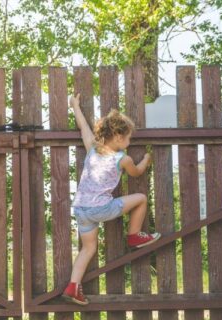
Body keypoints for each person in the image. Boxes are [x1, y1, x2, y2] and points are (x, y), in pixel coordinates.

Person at [62, 93, 160, 305]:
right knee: (141, 198)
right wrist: (146, 159)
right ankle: (134, 236)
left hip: (80, 209)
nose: (130, 141)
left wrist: (74, 106)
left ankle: (73, 286)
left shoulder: (92, 149)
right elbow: (136, 173)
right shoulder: (122, 159)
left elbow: (83, 129)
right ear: (118, 137)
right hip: (101, 208)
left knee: (88, 248)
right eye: (128, 137)